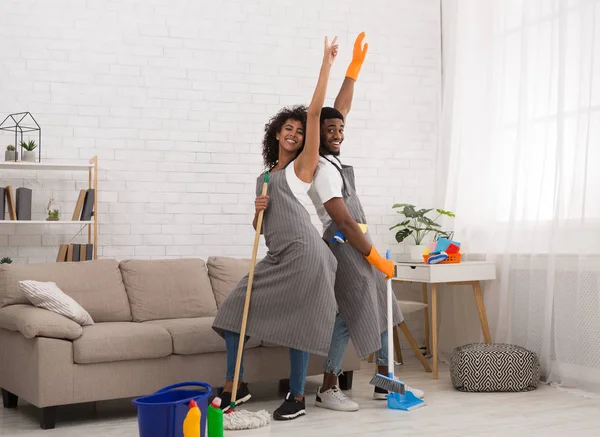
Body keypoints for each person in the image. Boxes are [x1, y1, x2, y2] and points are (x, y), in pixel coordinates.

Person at [212, 36, 340, 421]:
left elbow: (316, 113)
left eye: (299, 132)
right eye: (287, 128)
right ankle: (237, 385)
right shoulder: (264, 177)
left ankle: (297, 398)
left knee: (299, 323)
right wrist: (258, 210)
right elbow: (261, 228)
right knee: (234, 310)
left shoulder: (303, 169)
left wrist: (326, 66)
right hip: (278, 254)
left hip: (306, 254)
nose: (293, 134)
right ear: (276, 134)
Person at [307, 32, 425, 412]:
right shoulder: (320, 168)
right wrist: (374, 257)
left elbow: (337, 111)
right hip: (345, 243)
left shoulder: (334, 158)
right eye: (331, 131)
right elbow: (341, 219)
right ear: (317, 136)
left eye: (341, 130)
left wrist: (353, 70)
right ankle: (328, 387)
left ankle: (384, 384)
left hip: (360, 241)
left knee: (385, 309)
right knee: (348, 314)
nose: (339, 134)